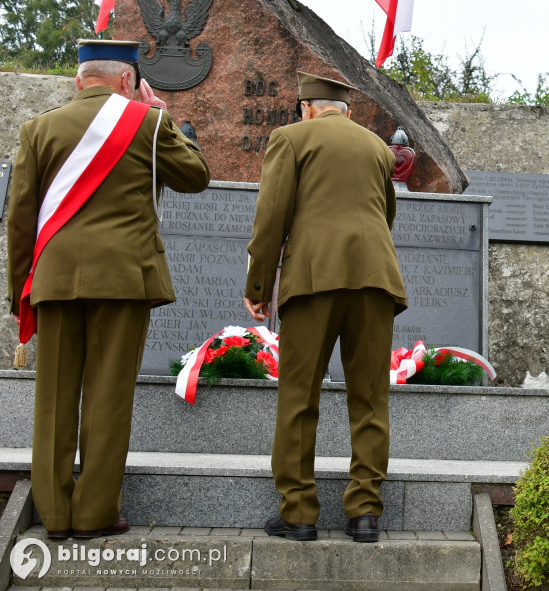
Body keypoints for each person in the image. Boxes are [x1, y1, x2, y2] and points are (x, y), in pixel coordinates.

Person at [6, 39, 211, 539]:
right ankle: (95, 513)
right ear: (128, 82)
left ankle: (54, 516)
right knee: (109, 397)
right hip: (124, 280)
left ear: (79, 79)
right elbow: (196, 177)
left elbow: (19, 220)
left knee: (53, 399)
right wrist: (162, 113)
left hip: (54, 282)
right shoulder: (147, 122)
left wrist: (19, 294)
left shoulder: (38, 129)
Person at [244, 71, 407, 543]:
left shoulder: (290, 138)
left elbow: (272, 215)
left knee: (299, 397)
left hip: (313, 280)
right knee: (371, 398)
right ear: (345, 110)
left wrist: (258, 285)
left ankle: (298, 513)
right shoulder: (378, 148)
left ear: (306, 107)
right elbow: (386, 214)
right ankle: (365, 514)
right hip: (375, 280)